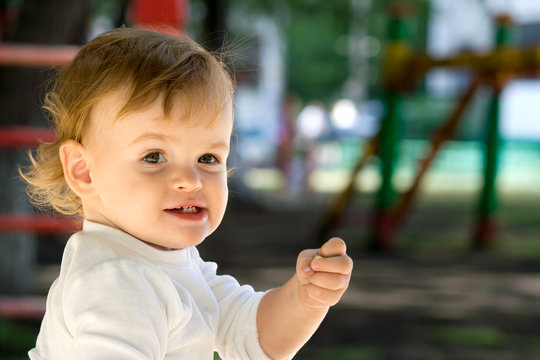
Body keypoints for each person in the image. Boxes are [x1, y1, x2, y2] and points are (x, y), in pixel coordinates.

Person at [22, 27, 353, 360]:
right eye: (154, 157)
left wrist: (305, 297)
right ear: (83, 170)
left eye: (207, 158)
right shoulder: (117, 283)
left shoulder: (169, 263)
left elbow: (251, 336)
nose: (190, 180)